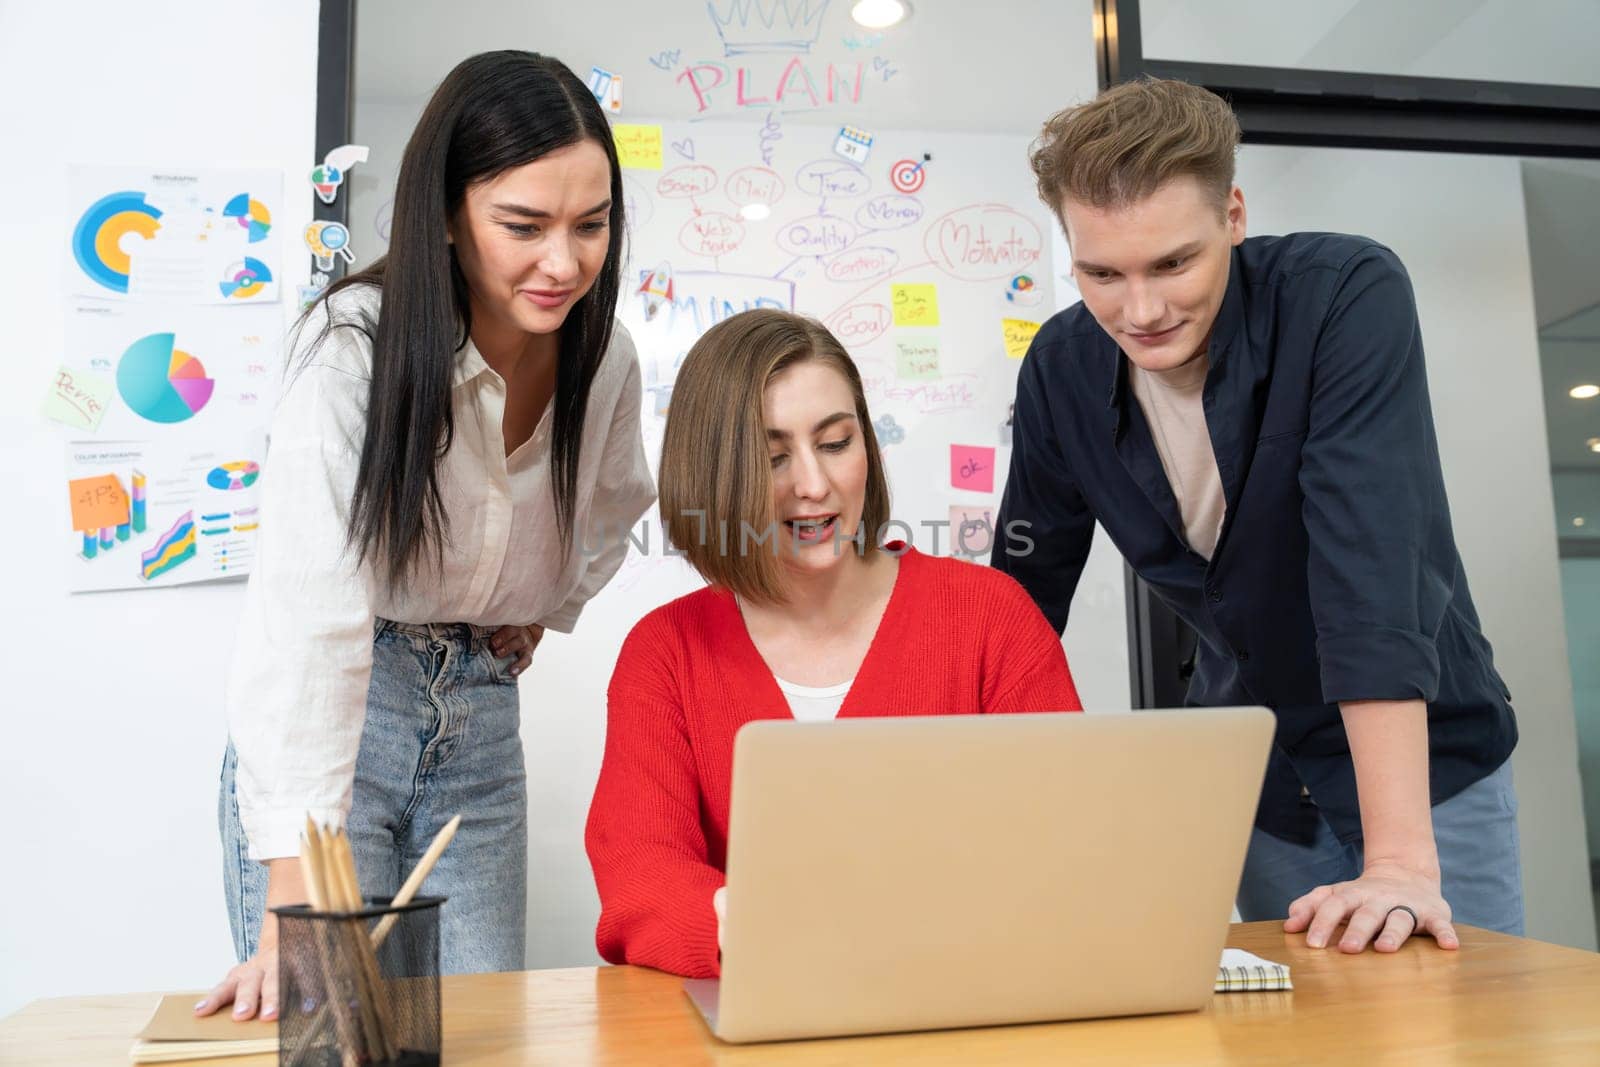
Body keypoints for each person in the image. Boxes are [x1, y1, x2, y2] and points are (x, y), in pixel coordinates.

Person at [994, 78, 1521, 955]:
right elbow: (1019, 600)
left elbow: (1370, 569)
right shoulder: (1060, 368)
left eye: (1173, 263)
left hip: (1421, 772)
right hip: (1259, 776)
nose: (1142, 310)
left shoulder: (1343, 295)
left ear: (1233, 214)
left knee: (1458, 1036)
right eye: (1101, 273)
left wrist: (1397, 859)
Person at [198, 51, 656, 1022]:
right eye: (524, 226)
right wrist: (291, 875)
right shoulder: (353, 346)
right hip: (346, 717)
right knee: (331, 1024)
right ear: (447, 215)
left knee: (479, 1021)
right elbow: (309, 615)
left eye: (592, 224)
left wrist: (544, 606)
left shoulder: (603, 354)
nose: (566, 263)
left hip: (481, 721)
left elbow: (615, 501)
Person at [584, 309, 1083, 978]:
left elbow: (1064, 839)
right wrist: (767, 931)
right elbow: (641, 872)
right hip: (757, 1017)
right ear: (711, 475)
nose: (813, 485)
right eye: (773, 457)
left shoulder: (992, 617)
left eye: (837, 442)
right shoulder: (664, 653)